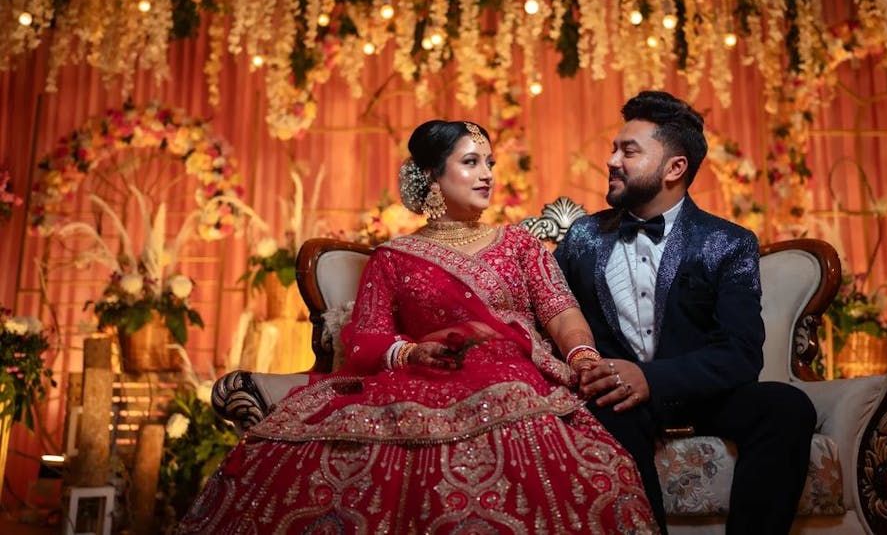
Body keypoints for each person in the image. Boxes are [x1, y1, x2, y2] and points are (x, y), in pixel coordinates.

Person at [177, 120, 656, 534]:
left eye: (489, 162)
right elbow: (363, 339)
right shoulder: (393, 259)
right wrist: (410, 353)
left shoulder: (517, 245)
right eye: (471, 162)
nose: (487, 174)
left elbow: (560, 310)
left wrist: (582, 357)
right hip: (417, 381)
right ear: (431, 176)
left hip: (515, 379)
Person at [554, 91, 816, 535]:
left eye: (628, 151)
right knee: (604, 411)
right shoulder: (583, 236)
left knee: (788, 407)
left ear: (674, 168)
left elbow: (741, 352)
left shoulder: (728, 242)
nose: (611, 160)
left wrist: (652, 379)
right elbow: (549, 309)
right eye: (614, 148)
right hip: (614, 399)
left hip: (701, 394)